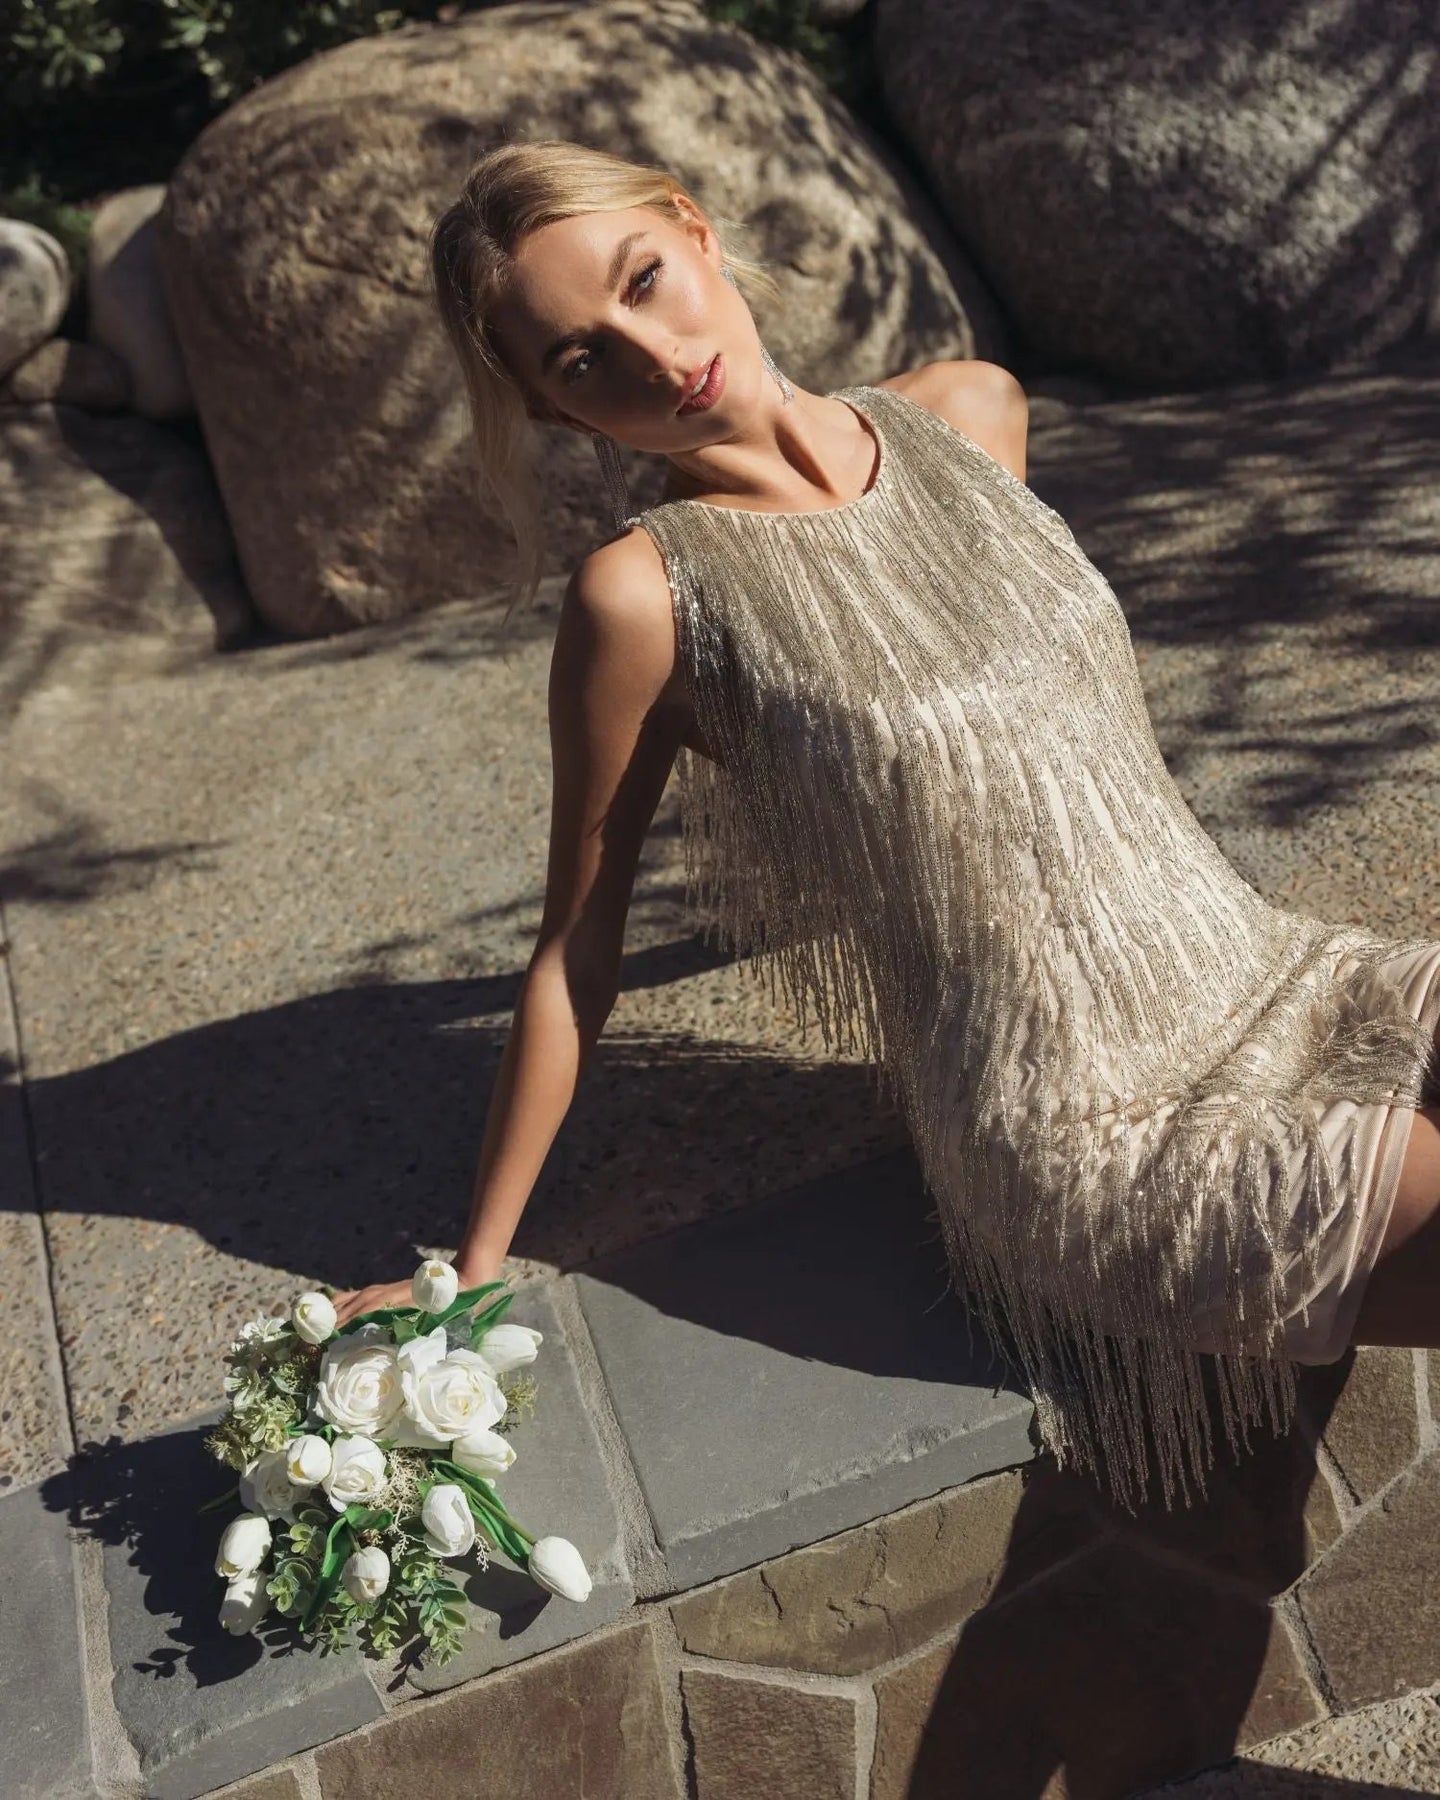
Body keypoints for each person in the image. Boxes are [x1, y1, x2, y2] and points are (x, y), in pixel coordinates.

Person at [334, 138, 1440, 1514]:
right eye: (580, 359)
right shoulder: (643, 601)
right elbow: (574, 948)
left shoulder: (971, 411)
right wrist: (471, 1267)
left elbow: (1011, 756)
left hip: (1282, 974)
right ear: (555, 410)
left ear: (695, 231)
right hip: (1088, 1121)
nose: (653, 356)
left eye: (645, 279)